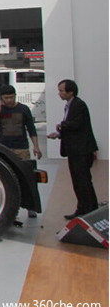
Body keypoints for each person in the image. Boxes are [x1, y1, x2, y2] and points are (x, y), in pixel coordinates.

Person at [0, 85, 42, 219]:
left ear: (15, 96)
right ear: (1, 98)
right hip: (4, 148)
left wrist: (36, 146)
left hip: (21, 148)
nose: (9, 100)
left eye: (11, 97)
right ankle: (11, 208)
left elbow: (31, 128)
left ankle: (31, 207)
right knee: (7, 179)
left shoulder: (23, 109)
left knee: (28, 177)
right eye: (6, 98)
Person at [47, 79, 99, 220]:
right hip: (74, 150)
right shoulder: (69, 106)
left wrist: (62, 125)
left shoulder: (78, 105)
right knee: (77, 180)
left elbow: (77, 124)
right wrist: (58, 134)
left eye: (62, 91)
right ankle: (82, 208)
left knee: (83, 180)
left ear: (71, 92)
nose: (59, 93)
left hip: (81, 150)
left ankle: (90, 209)